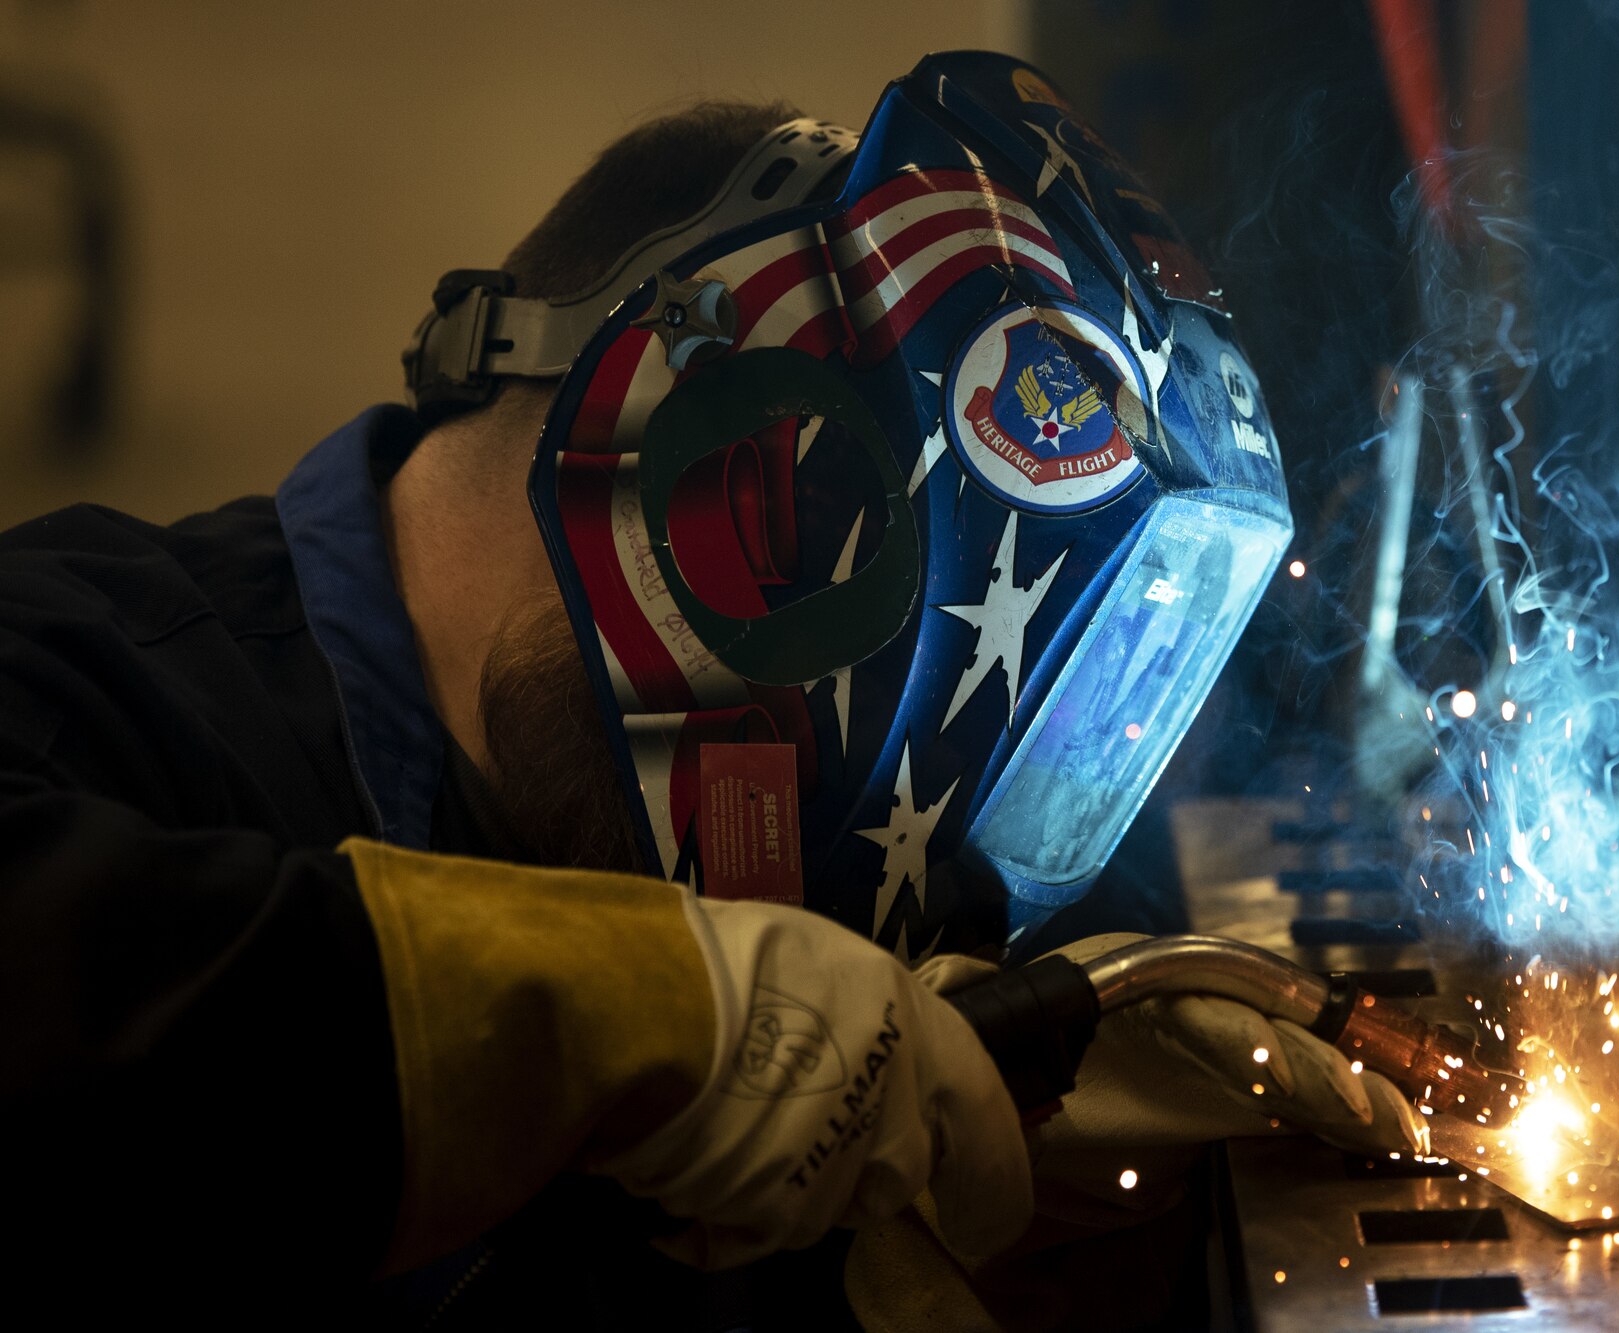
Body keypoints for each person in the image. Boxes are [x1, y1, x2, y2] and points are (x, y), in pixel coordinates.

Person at [0, 52, 1417, 1327]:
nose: (864, 846)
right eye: (888, 621)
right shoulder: (72, 677)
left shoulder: (789, 1005)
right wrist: (633, 1028)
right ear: (740, 483)